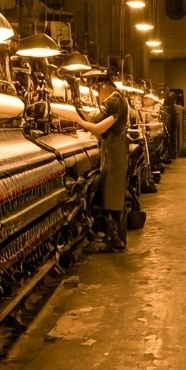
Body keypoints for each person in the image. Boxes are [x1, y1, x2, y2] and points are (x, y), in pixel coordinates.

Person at [64, 76, 130, 251]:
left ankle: (116, 241)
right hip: (115, 154)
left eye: (98, 91)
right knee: (113, 197)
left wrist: (75, 115)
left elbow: (95, 121)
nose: (98, 96)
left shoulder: (114, 100)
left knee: (111, 198)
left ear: (105, 87)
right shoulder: (120, 99)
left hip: (115, 156)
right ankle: (116, 239)